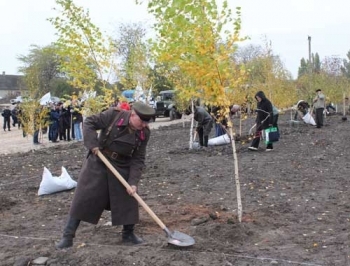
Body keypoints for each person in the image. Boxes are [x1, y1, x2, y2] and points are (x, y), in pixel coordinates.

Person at [56, 102, 155, 249]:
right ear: (132, 114)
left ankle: (128, 234)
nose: (144, 125)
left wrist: (133, 182)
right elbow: (89, 122)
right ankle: (68, 237)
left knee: (129, 198)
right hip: (99, 161)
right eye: (142, 121)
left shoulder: (144, 132)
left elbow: (138, 158)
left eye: (147, 122)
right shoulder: (113, 116)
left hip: (122, 165)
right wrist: (92, 144)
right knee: (83, 197)